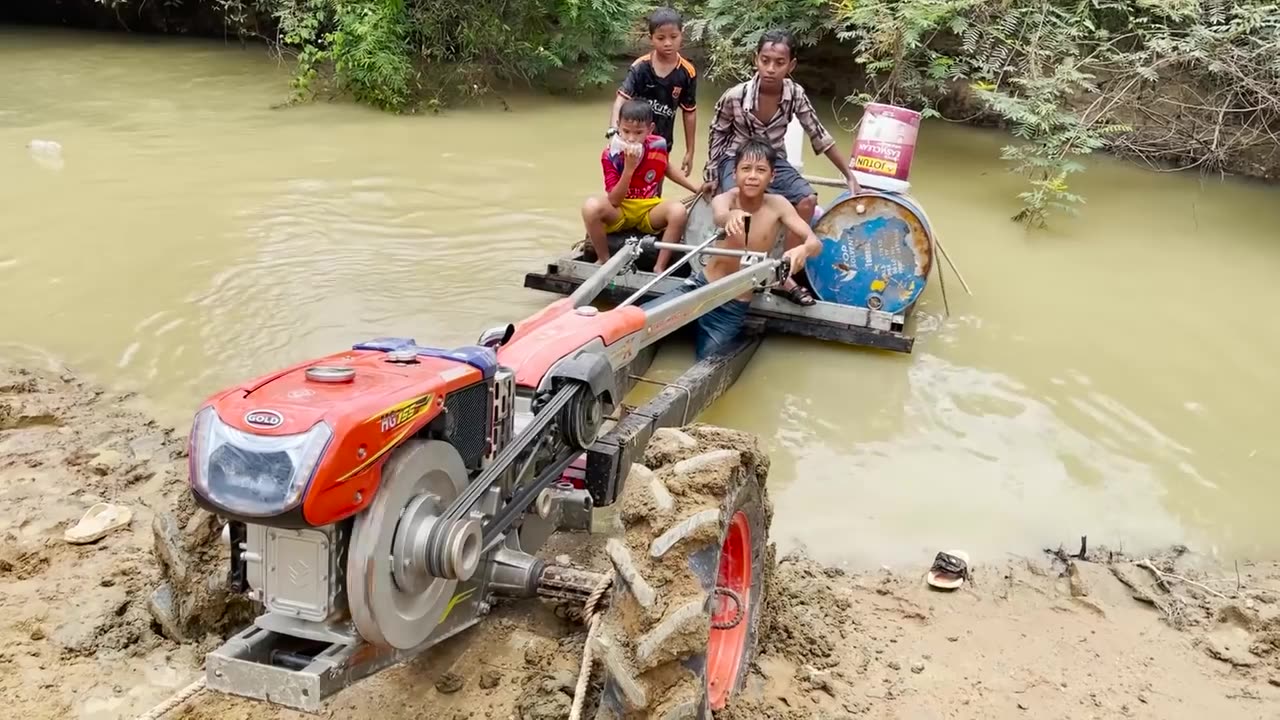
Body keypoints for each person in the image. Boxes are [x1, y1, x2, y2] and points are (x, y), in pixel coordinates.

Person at [700, 28, 860, 306]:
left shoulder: (795, 94)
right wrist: (712, 176)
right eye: (765, 60)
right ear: (756, 60)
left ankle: (784, 273)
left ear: (791, 65)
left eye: (779, 62)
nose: (771, 68)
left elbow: (818, 134)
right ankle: (731, 272)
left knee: (807, 199)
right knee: (738, 206)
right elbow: (716, 135)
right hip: (736, 158)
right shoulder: (735, 96)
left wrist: (849, 175)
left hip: (773, 159)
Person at [642, 138, 822, 360]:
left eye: (761, 170)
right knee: (642, 322)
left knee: (709, 358)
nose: (753, 176)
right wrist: (731, 215)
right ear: (735, 174)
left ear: (772, 176)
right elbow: (720, 215)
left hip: (733, 304)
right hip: (700, 287)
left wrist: (802, 250)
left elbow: (815, 242)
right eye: (746, 169)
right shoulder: (725, 198)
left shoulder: (779, 205)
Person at [583, 99, 701, 271]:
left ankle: (659, 267)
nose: (631, 138)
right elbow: (614, 200)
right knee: (590, 207)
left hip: (648, 208)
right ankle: (603, 259)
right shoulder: (611, 154)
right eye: (625, 131)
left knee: (678, 211)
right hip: (620, 209)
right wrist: (629, 169)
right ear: (618, 126)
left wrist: (696, 188)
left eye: (638, 132)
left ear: (650, 129)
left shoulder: (658, 145)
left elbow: (665, 167)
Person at [609, 7, 698, 177]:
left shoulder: (687, 72)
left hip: (661, 143)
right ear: (651, 39)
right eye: (661, 38)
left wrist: (690, 151)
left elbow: (689, 112)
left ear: (682, 35)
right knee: (625, 183)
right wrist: (614, 131)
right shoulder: (640, 67)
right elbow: (621, 99)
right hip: (632, 140)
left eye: (673, 37)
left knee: (654, 188)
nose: (667, 43)